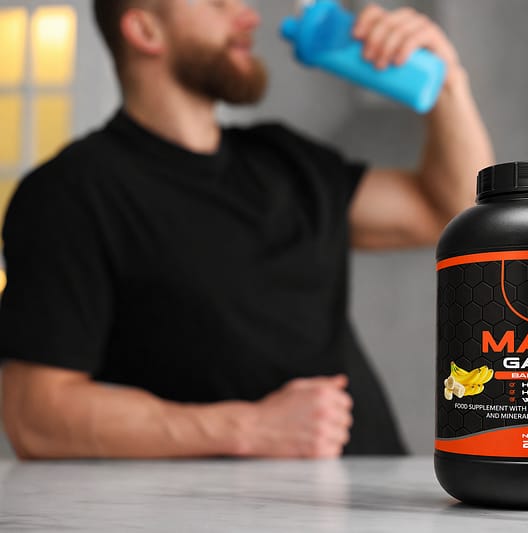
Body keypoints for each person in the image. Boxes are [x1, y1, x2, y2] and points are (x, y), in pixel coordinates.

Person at [0, 0, 493, 459]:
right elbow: (34, 415)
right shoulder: (71, 192)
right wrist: (250, 428)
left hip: (382, 493)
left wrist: (448, 86)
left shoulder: (284, 159)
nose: (247, 16)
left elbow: (451, 211)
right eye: (217, 1)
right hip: (232, 509)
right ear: (145, 30)